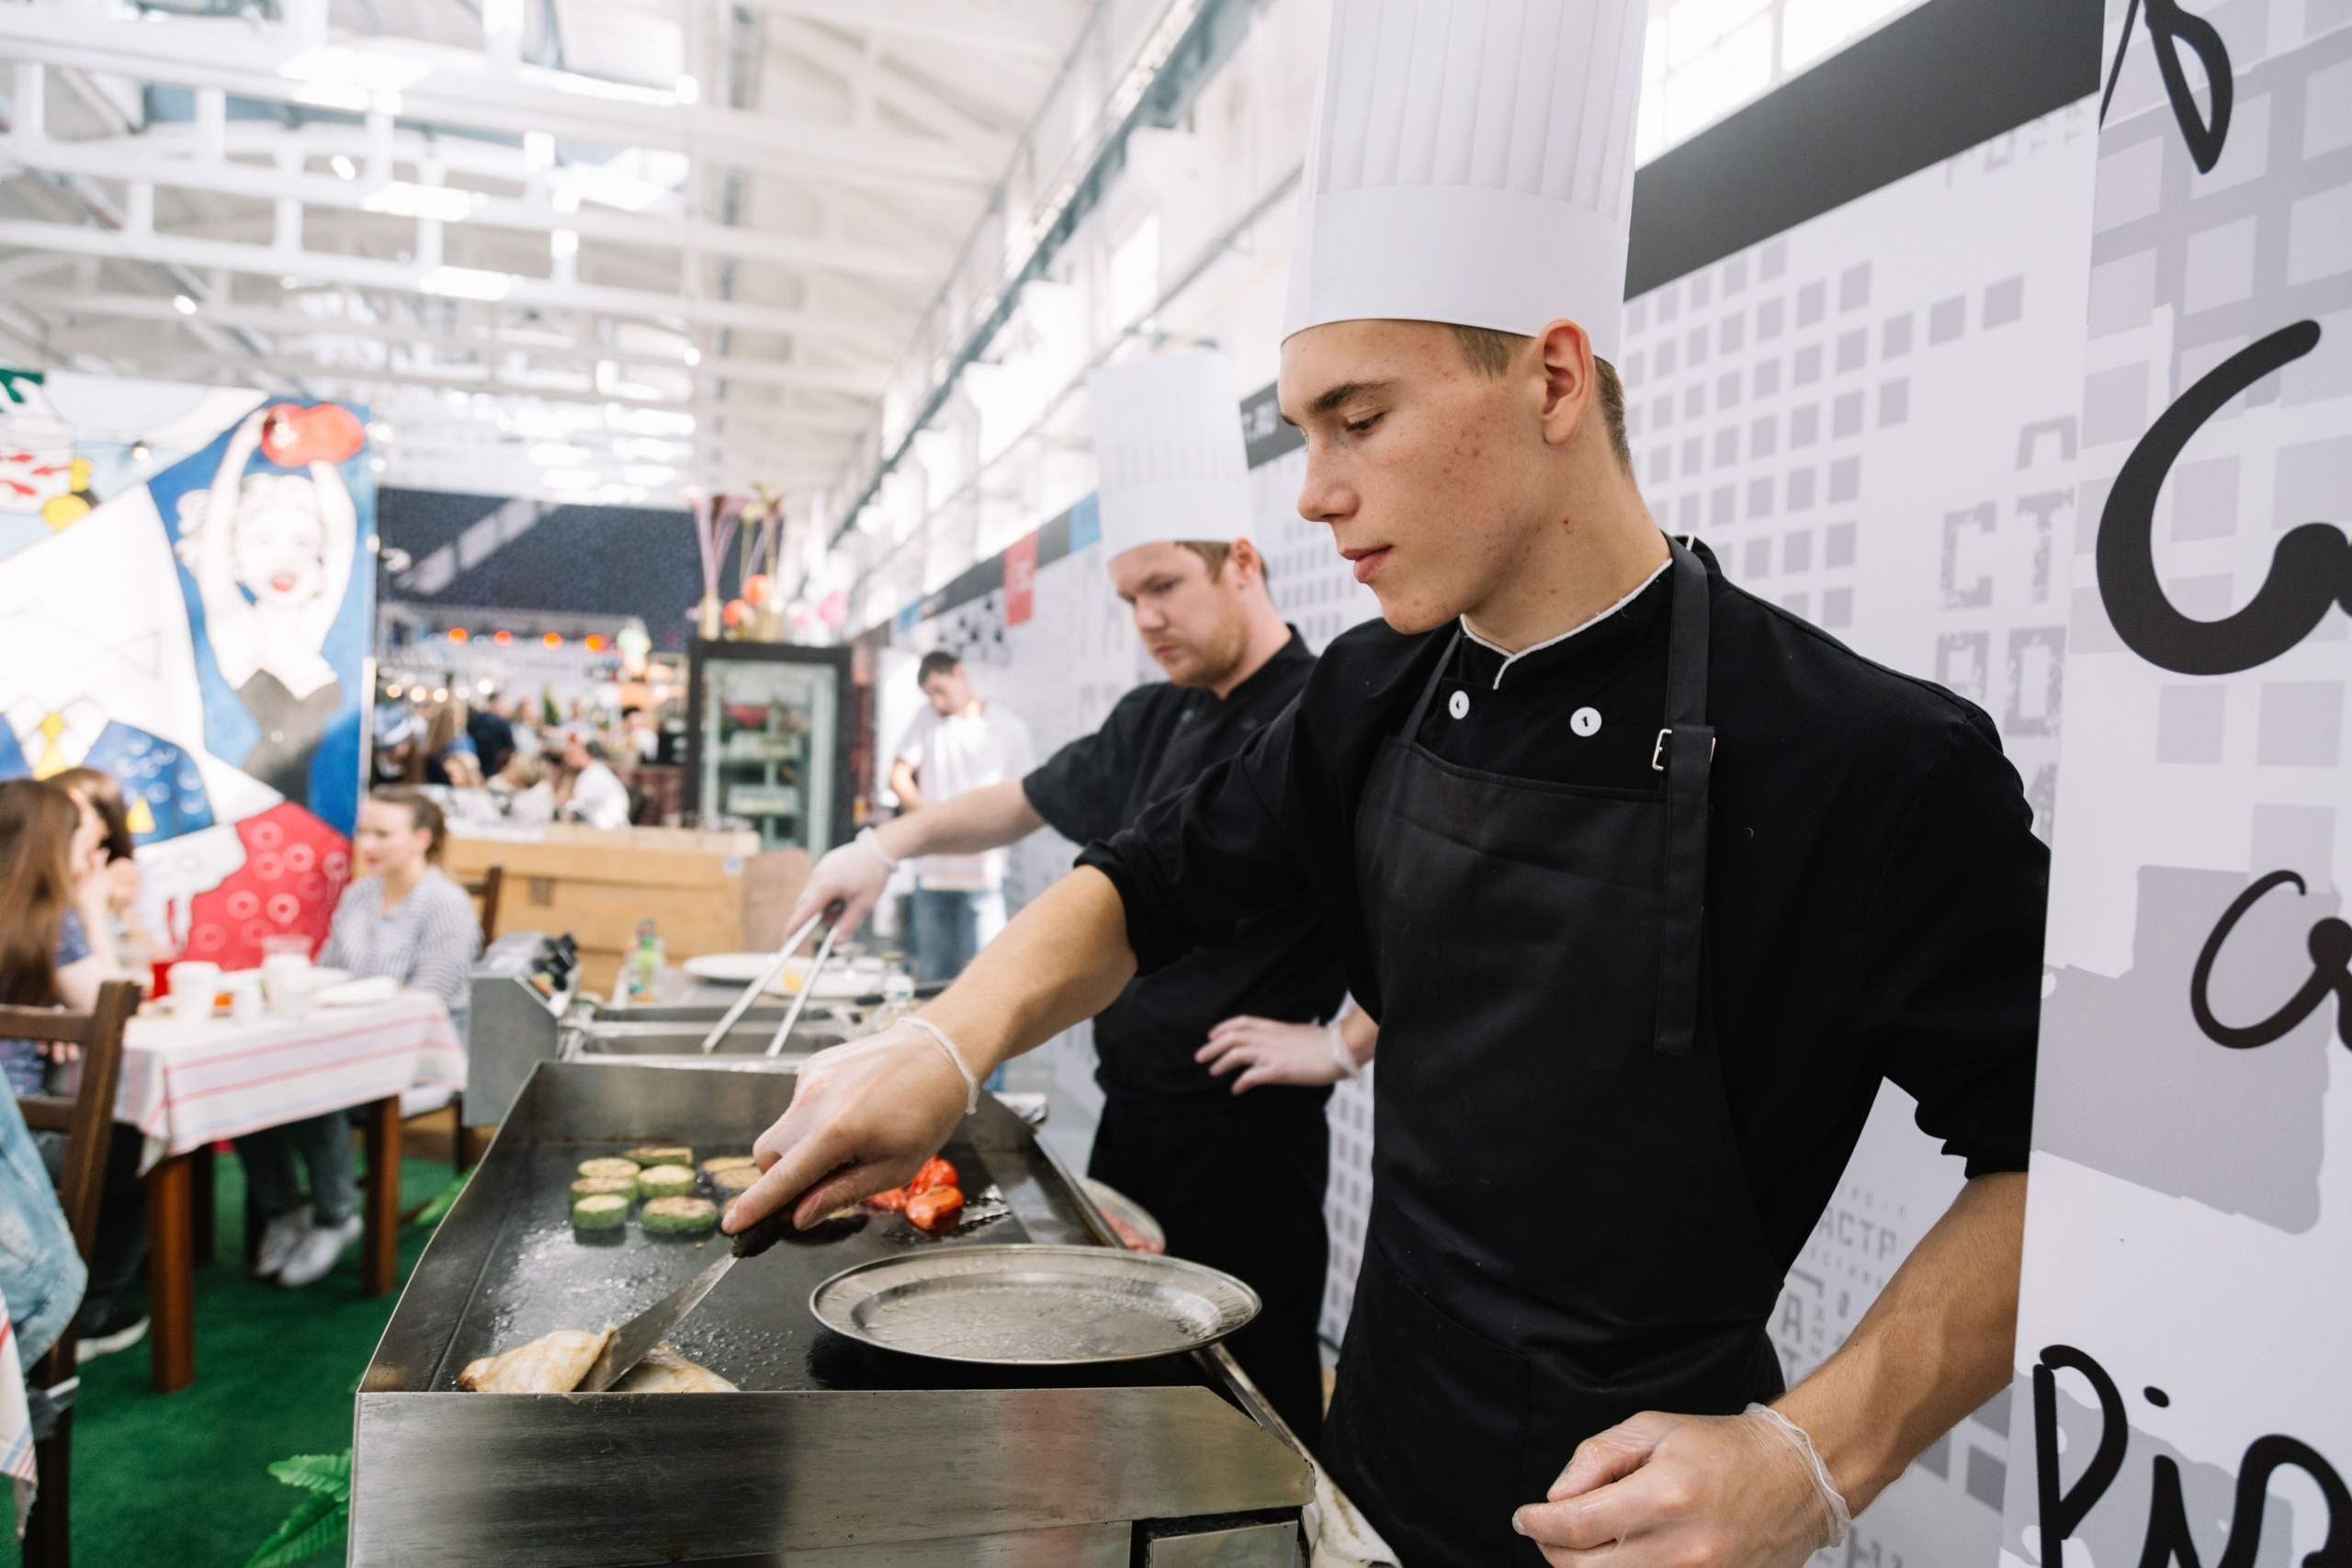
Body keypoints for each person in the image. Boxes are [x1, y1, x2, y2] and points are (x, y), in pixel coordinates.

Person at [729, 6, 2046, 1563]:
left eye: (1361, 419)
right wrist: (950, 1039)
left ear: (1556, 378)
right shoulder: (1370, 695)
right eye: (1299, 433)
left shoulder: (1869, 758)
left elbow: (2060, 1156)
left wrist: (1818, 1451)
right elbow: (1144, 882)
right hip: (1374, 1459)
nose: (1315, 492)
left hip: (1644, 1519)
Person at [777, 349, 1358, 1445]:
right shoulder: (1156, 718)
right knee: (1135, 1383)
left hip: (1250, 1142)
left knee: (1250, 1397)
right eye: (1129, 596)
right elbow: (1022, 801)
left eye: (1164, 588)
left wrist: (1339, 1045)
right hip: (1133, 1111)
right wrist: (884, 844)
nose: (1146, 618)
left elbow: (1421, 903)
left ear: (1240, 560)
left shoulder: (1320, 712)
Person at [236, 788, 481, 1288]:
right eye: (363, 830)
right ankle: (285, 1210)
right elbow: (326, 970)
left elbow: (424, 1003)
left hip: (419, 1056)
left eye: (381, 833)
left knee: (315, 1083)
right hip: (346, 1043)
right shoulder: (360, 894)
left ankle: (334, 1215)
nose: (366, 842)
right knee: (246, 1073)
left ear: (421, 839)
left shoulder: (447, 904)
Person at [174, 407, 356, 808]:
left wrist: (314, 450)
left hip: (299, 798)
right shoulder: (237, 629)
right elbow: (216, 540)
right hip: (256, 791)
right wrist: (239, 448)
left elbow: (344, 533)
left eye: (302, 541)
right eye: (262, 542)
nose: (283, 561)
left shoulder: (310, 623)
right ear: (238, 554)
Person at [888, 653, 1035, 987]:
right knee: (933, 977)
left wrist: (994, 831)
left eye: (941, 689)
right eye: (930, 695)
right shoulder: (926, 720)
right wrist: (932, 822)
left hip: (984, 873)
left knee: (986, 980)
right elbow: (899, 776)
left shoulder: (1008, 727)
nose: (938, 702)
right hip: (934, 871)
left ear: (959, 673)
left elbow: (1024, 795)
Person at [553, 733, 631, 830]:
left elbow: (567, 804)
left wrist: (569, 775)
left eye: (571, 754)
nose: (567, 759)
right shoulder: (593, 770)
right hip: (604, 829)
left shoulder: (591, 774)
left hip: (611, 831)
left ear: (584, 754)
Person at [466, 694, 517, 778]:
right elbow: (510, 748)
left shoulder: (473, 720)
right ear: (494, 704)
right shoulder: (503, 724)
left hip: (476, 767)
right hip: (494, 768)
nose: (505, 707)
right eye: (503, 704)